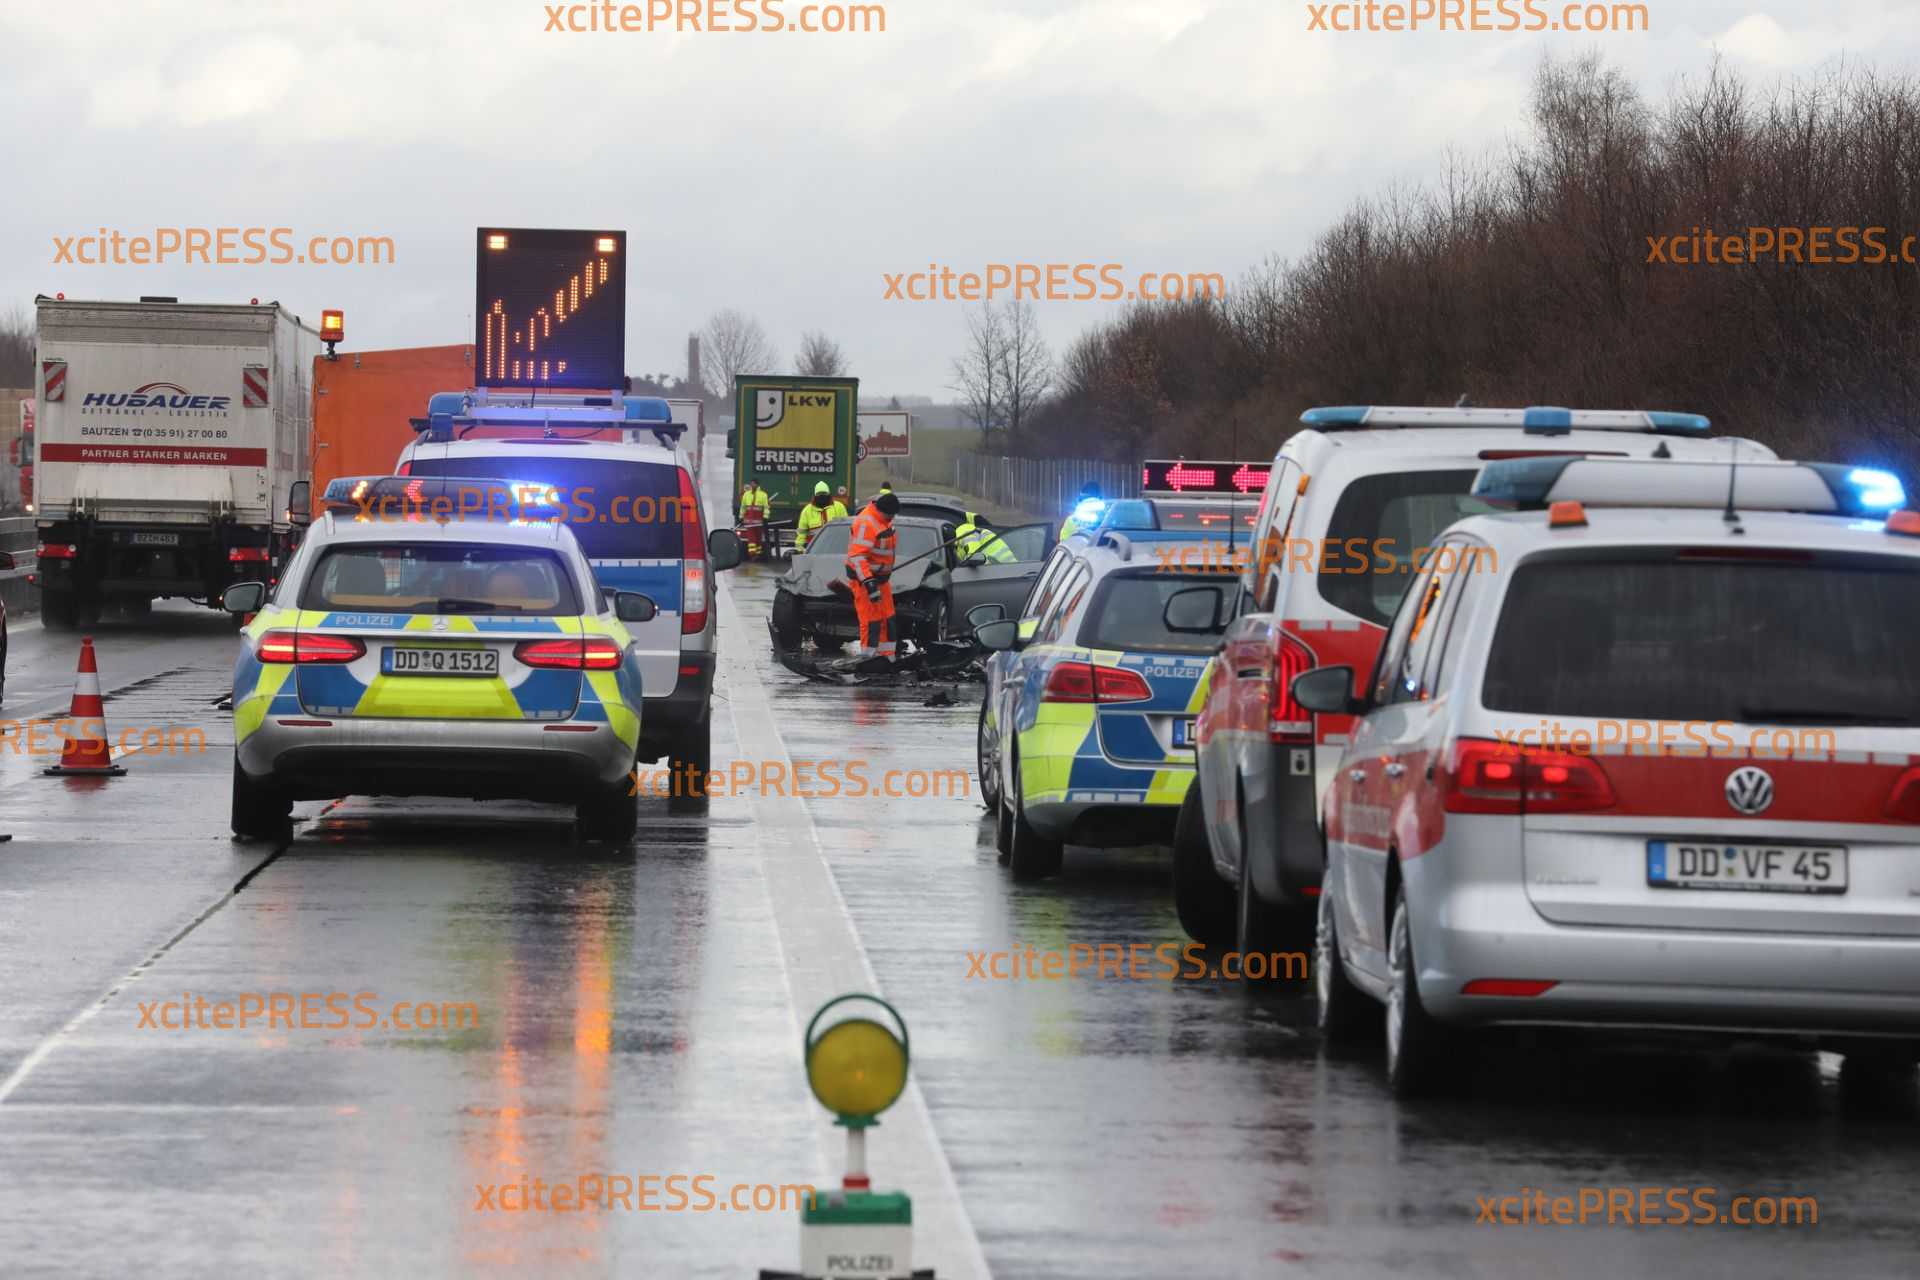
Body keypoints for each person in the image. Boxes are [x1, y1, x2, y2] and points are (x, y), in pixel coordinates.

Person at [846, 491, 901, 657]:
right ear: (882, 510)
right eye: (890, 514)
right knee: (871, 621)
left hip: (882, 580)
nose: (892, 518)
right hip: (865, 580)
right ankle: (868, 657)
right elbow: (857, 556)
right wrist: (868, 581)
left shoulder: (884, 520)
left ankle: (887, 657)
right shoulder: (866, 523)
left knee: (887, 618)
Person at [794, 481, 834, 552]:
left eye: (824, 493)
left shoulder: (839, 507)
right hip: (814, 550)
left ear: (829, 494)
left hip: (835, 549)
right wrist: (799, 550)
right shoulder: (807, 511)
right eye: (819, 494)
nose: (822, 496)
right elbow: (801, 534)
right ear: (815, 495)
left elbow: (847, 530)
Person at [738, 479, 771, 556]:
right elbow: (743, 507)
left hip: (758, 521)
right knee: (751, 537)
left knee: (758, 537)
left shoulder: (763, 495)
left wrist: (765, 517)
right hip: (749, 521)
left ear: (757, 485)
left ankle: (758, 552)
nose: (752, 485)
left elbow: (766, 507)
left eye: (754, 484)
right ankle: (752, 553)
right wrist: (741, 517)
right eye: (751, 484)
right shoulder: (746, 495)